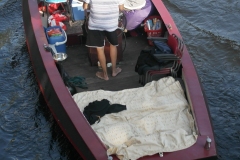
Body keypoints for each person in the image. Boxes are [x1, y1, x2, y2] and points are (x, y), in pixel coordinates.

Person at [83, 0, 124, 80]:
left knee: (100, 48)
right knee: (113, 45)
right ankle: (114, 71)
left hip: (96, 24)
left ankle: (105, 75)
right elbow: (121, 8)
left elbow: (85, 7)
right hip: (111, 23)